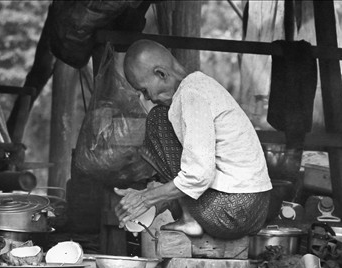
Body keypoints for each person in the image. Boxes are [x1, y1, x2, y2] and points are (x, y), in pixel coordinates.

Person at [114, 39, 272, 239]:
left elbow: (198, 175)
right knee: (163, 117)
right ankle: (190, 217)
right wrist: (158, 194)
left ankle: (190, 220)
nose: (147, 98)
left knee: (157, 120)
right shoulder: (199, 85)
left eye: (145, 90)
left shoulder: (191, 94)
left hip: (233, 211)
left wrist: (146, 198)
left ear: (161, 74)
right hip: (252, 208)